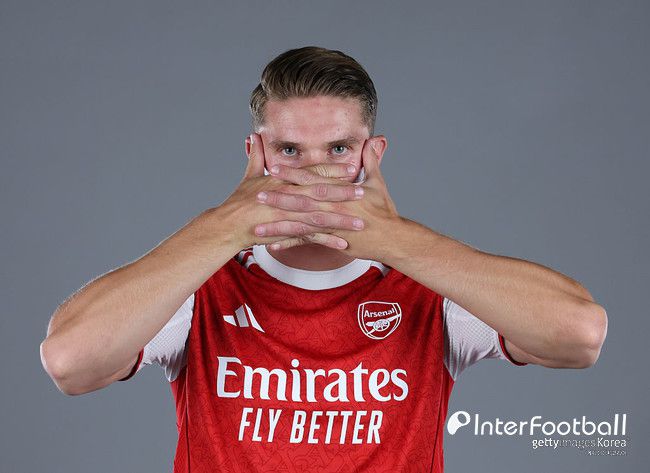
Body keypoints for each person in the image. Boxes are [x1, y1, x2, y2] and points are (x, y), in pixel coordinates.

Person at [39, 46, 608, 472]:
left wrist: (393, 239)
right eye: (289, 150)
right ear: (256, 155)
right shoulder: (200, 288)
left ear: (372, 155)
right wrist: (224, 227)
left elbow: (580, 335)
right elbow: (69, 361)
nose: (315, 171)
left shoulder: (429, 290)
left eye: (338, 148)